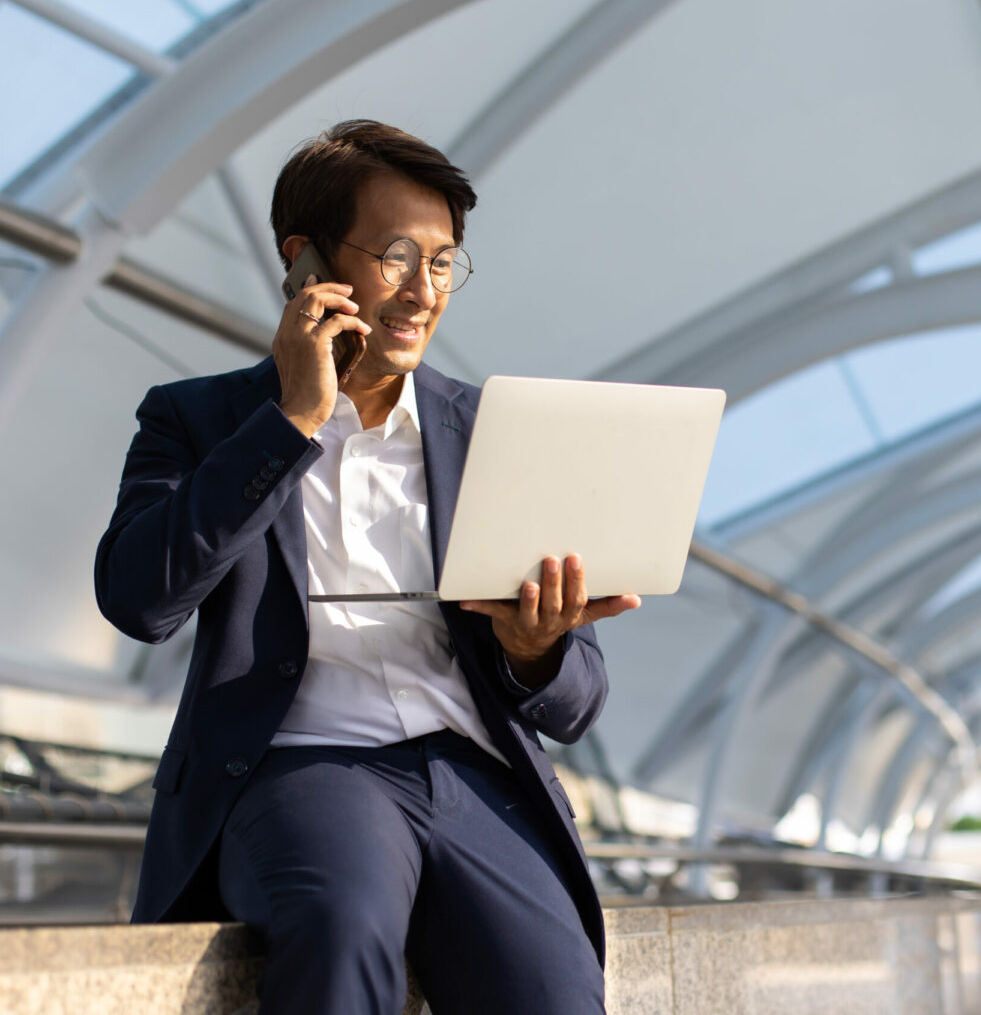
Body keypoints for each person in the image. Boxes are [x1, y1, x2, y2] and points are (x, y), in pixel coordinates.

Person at [95, 119, 639, 1015]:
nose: (422, 291)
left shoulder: (494, 431)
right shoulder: (195, 421)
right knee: (340, 929)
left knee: (554, 989)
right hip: (301, 765)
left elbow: (578, 704)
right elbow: (137, 599)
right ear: (304, 260)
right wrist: (290, 422)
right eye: (395, 255)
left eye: (443, 262)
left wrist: (535, 649)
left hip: (477, 777)